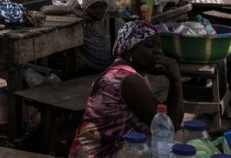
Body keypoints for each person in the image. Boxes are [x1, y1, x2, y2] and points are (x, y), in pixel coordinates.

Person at [70, 20, 184, 157]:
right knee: (177, 139)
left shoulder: (126, 70)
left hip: (105, 149)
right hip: (100, 154)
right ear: (130, 50)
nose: (158, 51)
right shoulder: (129, 80)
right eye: (149, 45)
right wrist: (176, 80)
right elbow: (170, 125)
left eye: (159, 46)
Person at [44, 0, 125, 75]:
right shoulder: (81, 23)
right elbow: (44, 9)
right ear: (85, 7)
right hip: (87, 71)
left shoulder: (116, 23)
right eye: (93, 7)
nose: (98, 10)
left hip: (111, 71)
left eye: (101, 7)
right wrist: (72, 10)